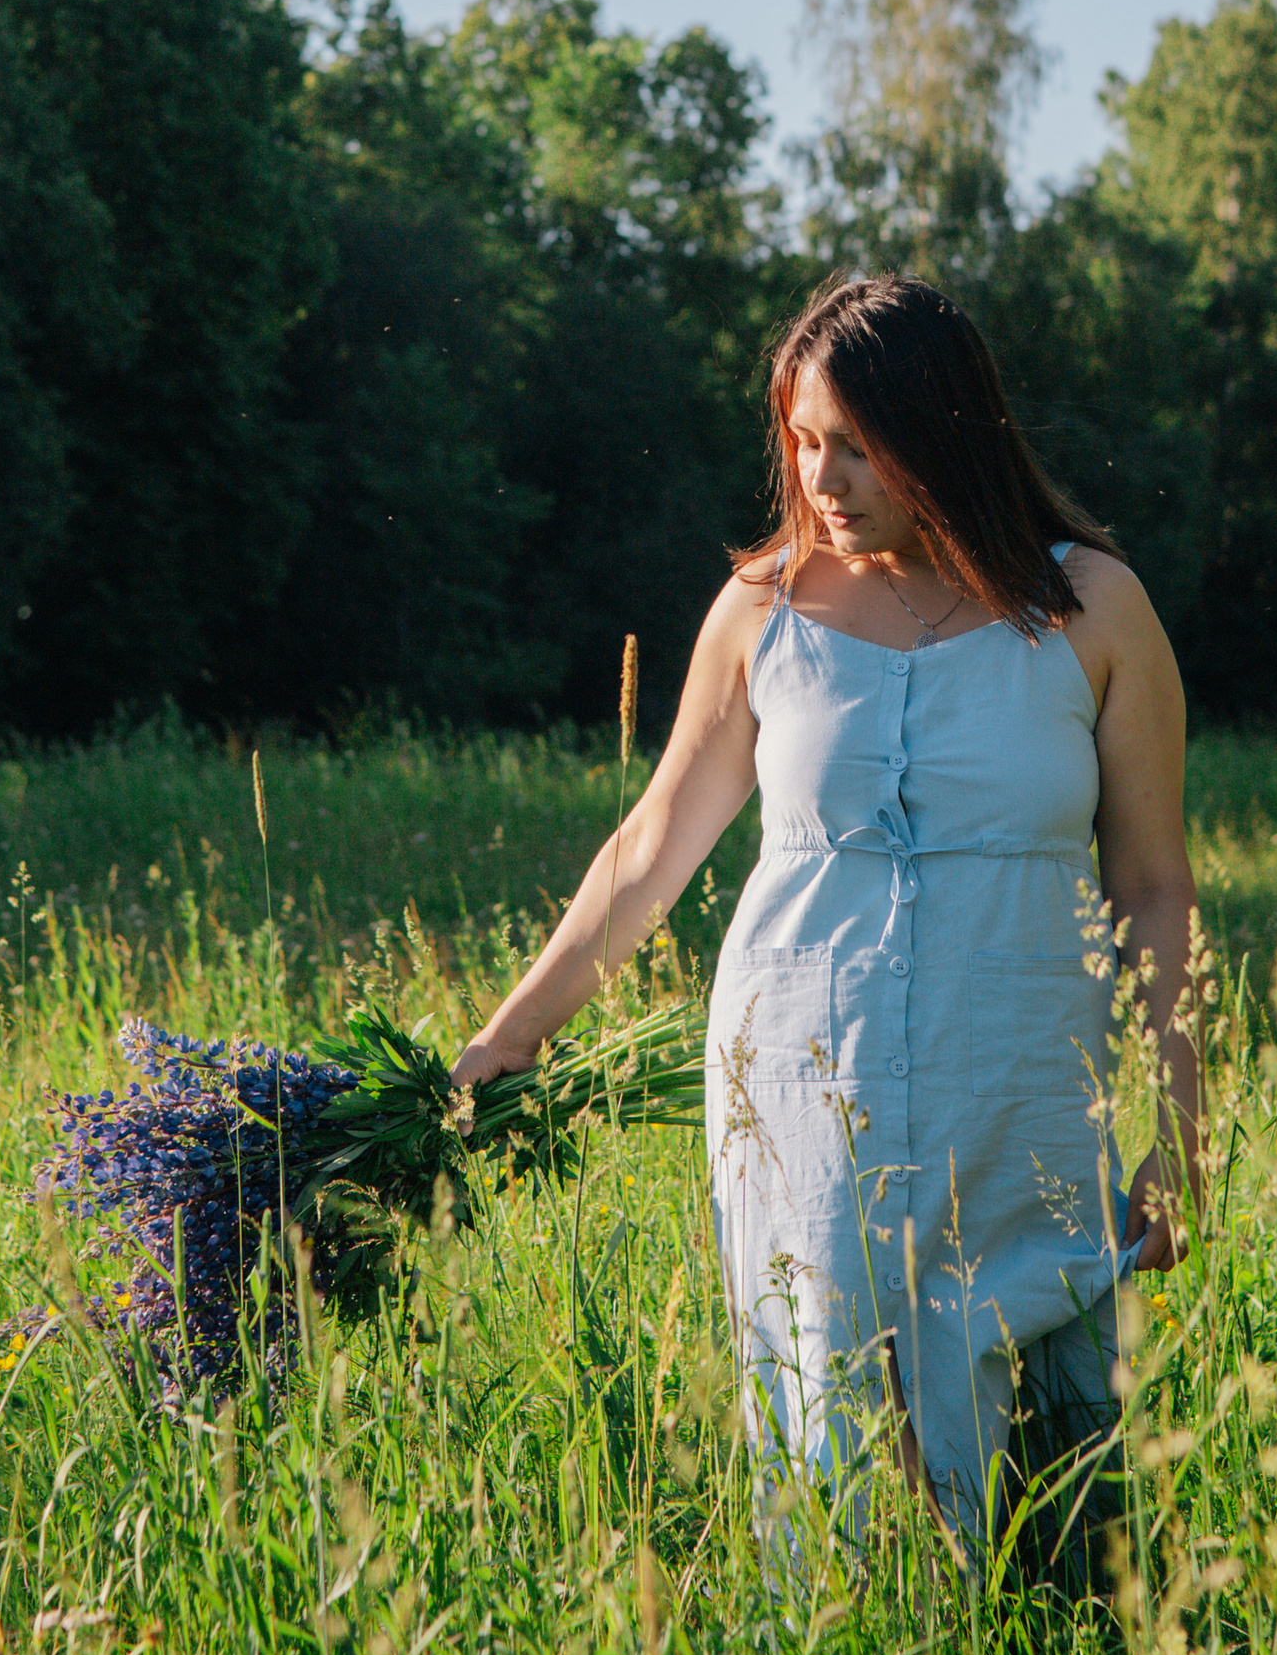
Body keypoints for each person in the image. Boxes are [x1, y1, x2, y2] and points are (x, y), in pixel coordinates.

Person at [452, 271, 1199, 1554]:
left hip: (1024, 1090)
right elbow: (651, 847)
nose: (820, 478)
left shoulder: (1094, 610)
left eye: (854, 445)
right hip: (802, 1084)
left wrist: (1182, 1126)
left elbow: (1151, 886)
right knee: (837, 1422)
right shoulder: (763, 611)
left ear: (942, 435)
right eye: (802, 442)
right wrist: (507, 1038)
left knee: (1065, 1474)